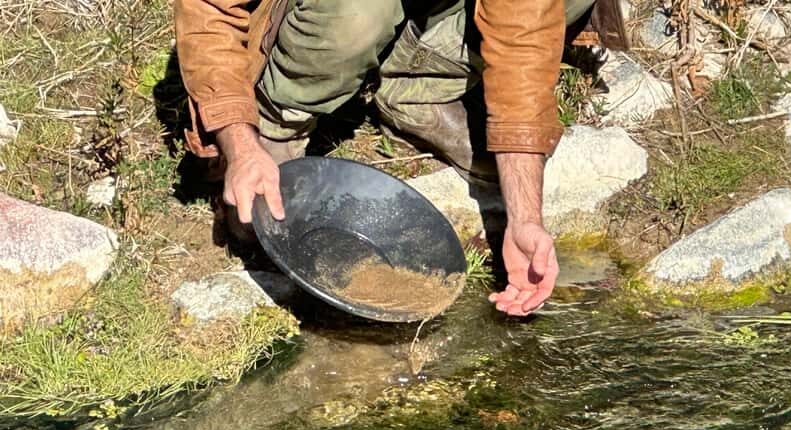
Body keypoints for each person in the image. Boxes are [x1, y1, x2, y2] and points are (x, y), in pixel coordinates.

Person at [174, 0, 628, 316]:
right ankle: (279, 121)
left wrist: (525, 219)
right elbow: (209, 11)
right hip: (326, 15)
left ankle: (416, 88)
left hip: (429, 13)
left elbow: (523, 39)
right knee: (359, 14)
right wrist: (240, 144)